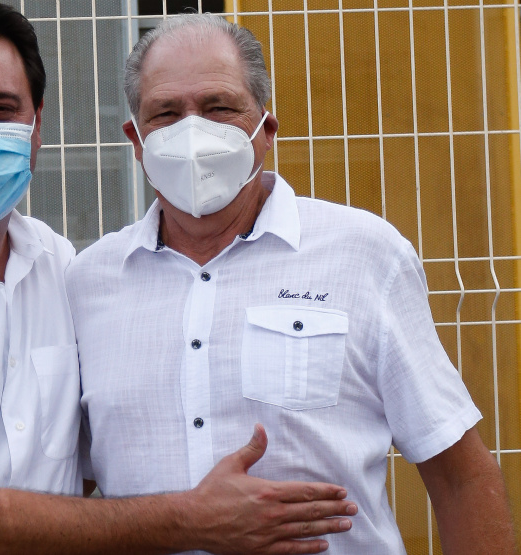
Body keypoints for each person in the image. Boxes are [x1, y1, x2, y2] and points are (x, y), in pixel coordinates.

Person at [0, 2, 358, 554]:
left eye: (1, 108)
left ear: (36, 126)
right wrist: (194, 518)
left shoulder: (62, 268)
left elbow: (74, 467)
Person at [66, 13, 517, 555]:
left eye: (219, 108)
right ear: (136, 141)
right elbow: (70, 487)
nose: (193, 131)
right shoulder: (87, 283)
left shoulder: (364, 254)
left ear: (266, 129)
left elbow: (458, 474)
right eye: (166, 114)